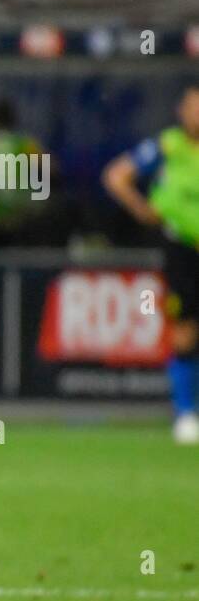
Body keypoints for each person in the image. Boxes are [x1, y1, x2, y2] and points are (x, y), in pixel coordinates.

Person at [103, 84, 199, 444]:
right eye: (193, 107)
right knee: (186, 326)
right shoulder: (167, 146)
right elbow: (116, 176)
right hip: (182, 247)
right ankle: (186, 414)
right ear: (181, 111)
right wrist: (144, 211)